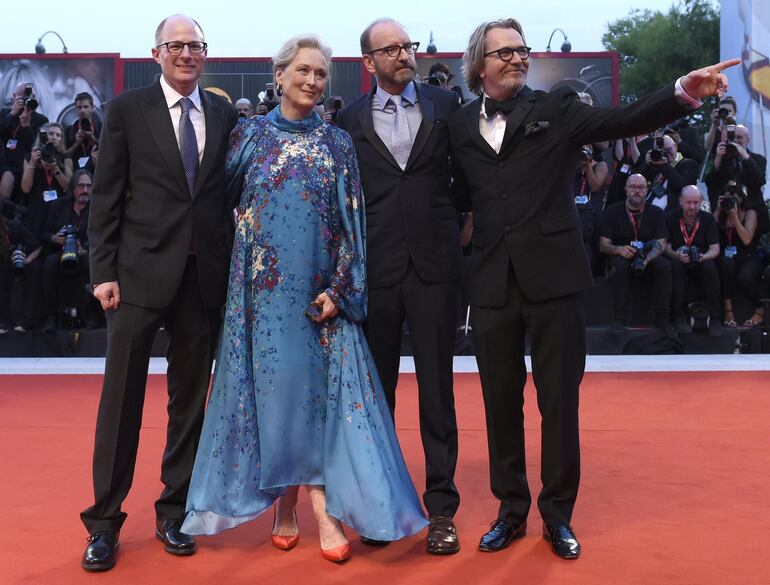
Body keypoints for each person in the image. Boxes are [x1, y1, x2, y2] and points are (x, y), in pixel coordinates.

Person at [447, 17, 736, 559]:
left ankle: (557, 517)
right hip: (491, 284)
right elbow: (462, 195)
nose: (517, 58)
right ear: (479, 64)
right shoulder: (460, 126)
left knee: (559, 404)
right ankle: (510, 511)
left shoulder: (554, 109)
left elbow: (621, 118)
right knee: (499, 404)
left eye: (522, 50)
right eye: (504, 52)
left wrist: (681, 93)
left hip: (554, 281)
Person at [181, 34, 428, 563]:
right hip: (262, 298)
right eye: (304, 71)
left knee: (322, 401)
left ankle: (321, 509)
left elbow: (351, 225)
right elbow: (216, 208)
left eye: (321, 74)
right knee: (277, 398)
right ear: (279, 75)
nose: (314, 81)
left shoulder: (337, 142)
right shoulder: (248, 137)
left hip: (320, 296)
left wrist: (341, 288)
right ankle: (290, 508)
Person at [80, 14, 237, 572]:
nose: (187, 54)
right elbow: (105, 196)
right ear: (156, 53)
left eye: (196, 46)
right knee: (120, 404)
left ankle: (174, 513)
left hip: (203, 282)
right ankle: (103, 523)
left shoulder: (222, 112)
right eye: (177, 46)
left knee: (189, 405)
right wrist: (103, 272)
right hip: (136, 279)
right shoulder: (126, 110)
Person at [337, 17, 464, 555]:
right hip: (377, 274)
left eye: (407, 46)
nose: (403, 55)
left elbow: (470, 178)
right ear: (368, 62)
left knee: (438, 393)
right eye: (390, 49)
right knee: (377, 397)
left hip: (437, 270)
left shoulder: (446, 107)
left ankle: (441, 512)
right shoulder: (346, 121)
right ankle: (379, 504)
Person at [598, 173, 672, 335]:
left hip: (647, 255)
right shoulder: (612, 211)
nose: (637, 191)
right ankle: (619, 319)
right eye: (633, 187)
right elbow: (603, 245)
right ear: (626, 189)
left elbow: (661, 243)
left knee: (665, 266)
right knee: (619, 265)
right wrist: (618, 249)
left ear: (647, 190)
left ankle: (663, 319)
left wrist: (647, 258)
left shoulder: (656, 213)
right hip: (620, 254)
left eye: (641, 187)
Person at [665, 185, 721, 335]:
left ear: (701, 202)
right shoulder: (670, 217)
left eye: (696, 203)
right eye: (689, 202)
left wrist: (703, 257)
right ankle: (678, 317)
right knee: (674, 266)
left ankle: (715, 317)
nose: (692, 206)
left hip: (700, 260)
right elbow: (666, 248)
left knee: (710, 266)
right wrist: (678, 256)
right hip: (678, 259)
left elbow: (715, 249)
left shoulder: (707, 219)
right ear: (681, 202)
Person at [712, 182, 763, 327]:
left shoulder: (750, 213)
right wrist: (718, 209)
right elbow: (710, 230)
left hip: (748, 257)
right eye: (727, 199)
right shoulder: (721, 213)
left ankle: (760, 308)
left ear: (741, 198)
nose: (730, 203)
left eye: (733, 200)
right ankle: (728, 310)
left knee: (745, 277)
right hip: (728, 258)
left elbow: (747, 239)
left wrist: (735, 218)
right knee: (725, 266)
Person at [20, 122, 73, 238]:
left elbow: (69, 187)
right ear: (43, 136)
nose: (54, 137)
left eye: (58, 135)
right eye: (51, 133)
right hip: (37, 207)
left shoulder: (65, 157)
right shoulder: (31, 156)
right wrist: (33, 163)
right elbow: (25, 188)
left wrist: (55, 169)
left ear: (61, 139)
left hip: (57, 208)